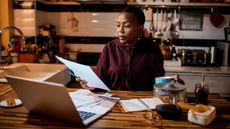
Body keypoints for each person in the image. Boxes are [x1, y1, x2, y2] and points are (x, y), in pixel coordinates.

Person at [76, 6, 184, 91]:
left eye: (126, 26)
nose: (120, 30)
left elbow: (157, 83)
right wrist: (89, 84)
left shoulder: (152, 49)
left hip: (143, 105)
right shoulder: (110, 48)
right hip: (114, 104)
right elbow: (100, 82)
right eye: (118, 25)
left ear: (140, 28)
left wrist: (170, 83)